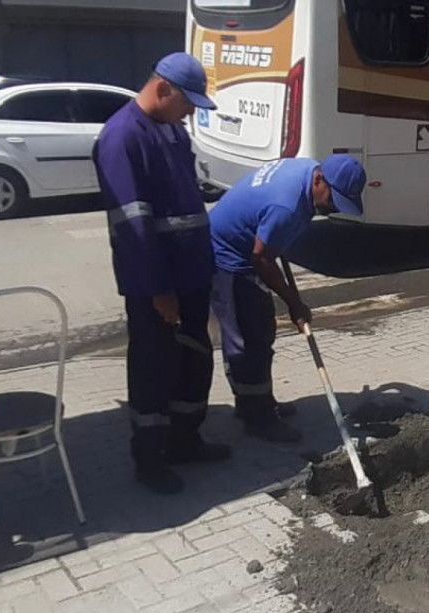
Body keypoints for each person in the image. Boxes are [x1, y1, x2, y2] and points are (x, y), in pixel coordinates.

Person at [94, 53, 230, 494]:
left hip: (190, 275)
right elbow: (133, 229)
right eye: (187, 102)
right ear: (163, 89)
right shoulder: (122, 138)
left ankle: (185, 441)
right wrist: (158, 290)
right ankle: (149, 459)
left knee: (193, 360)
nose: (191, 111)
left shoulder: (169, 129)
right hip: (159, 284)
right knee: (153, 367)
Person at [208, 156, 367, 442]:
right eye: (333, 199)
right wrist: (294, 303)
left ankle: (258, 401)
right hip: (226, 259)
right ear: (319, 180)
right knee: (247, 339)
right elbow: (262, 258)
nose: (331, 208)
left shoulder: (305, 169)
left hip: (245, 249)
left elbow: (268, 240)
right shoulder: (287, 206)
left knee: (261, 329)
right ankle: (257, 418)